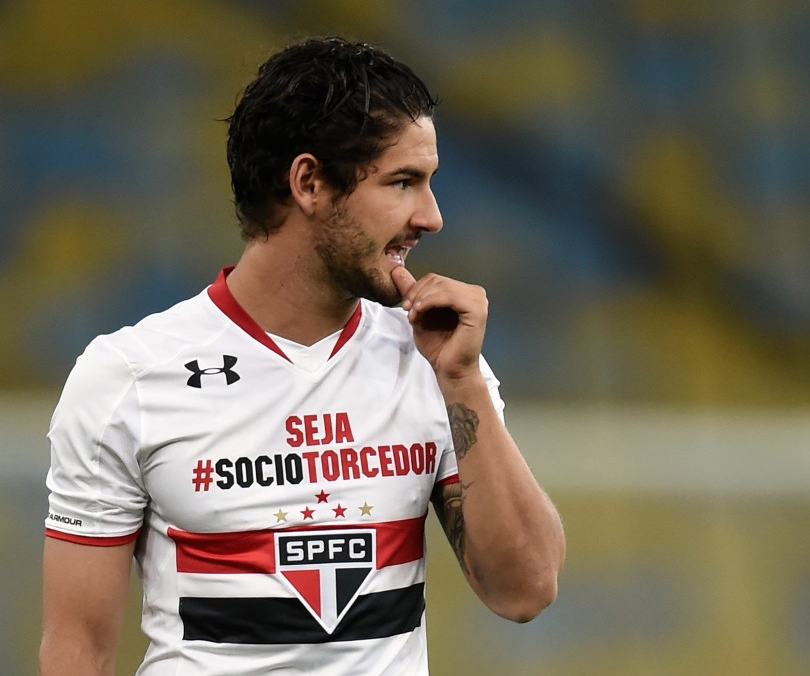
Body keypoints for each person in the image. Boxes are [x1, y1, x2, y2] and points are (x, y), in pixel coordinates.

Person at [39, 36, 566, 675]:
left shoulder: (438, 363)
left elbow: (526, 590)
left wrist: (463, 382)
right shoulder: (127, 376)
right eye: (403, 182)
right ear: (310, 182)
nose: (431, 217)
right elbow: (76, 651)